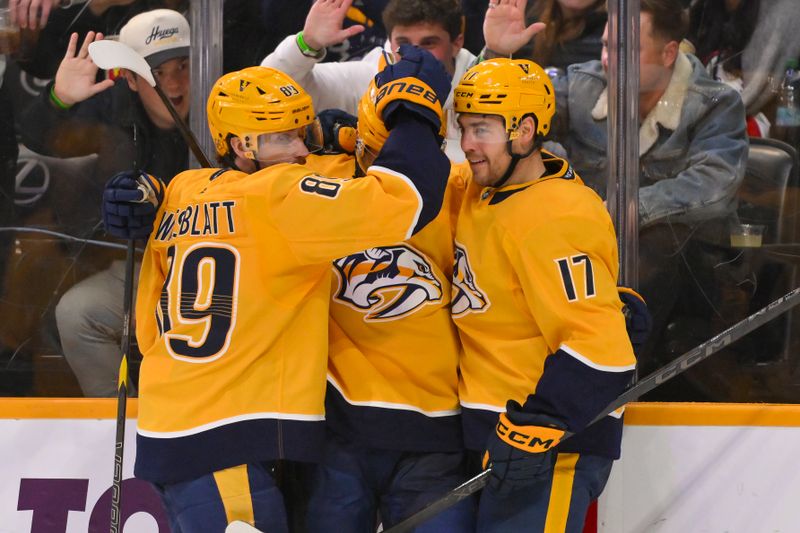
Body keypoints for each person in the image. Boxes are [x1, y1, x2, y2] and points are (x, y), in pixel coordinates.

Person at [102, 47, 451, 532]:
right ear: (242, 146)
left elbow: (146, 329)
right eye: (285, 137)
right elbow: (407, 199)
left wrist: (141, 193)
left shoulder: (182, 190)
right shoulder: (281, 195)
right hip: (231, 434)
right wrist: (412, 110)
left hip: (176, 429)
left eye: (302, 132)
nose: (301, 151)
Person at [451, 57, 637, 532]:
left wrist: (537, 426)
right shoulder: (485, 188)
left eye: (481, 130)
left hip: (550, 443)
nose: (468, 145)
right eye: (463, 128)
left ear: (525, 131)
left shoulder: (556, 215)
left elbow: (604, 353)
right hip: (498, 432)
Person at [300, 82, 474, 532]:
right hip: (337, 432)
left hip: (434, 432)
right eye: (372, 156)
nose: (385, 173)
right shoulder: (317, 183)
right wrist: (160, 197)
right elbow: (239, 179)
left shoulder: (457, 187)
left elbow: (524, 211)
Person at [19, 8, 191, 397]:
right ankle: (121, 421)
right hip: (143, 265)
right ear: (129, 78)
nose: (175, 84)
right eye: (156, 73)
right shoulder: (113, 107)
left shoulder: (222, 102)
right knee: (78, 312)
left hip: (220, 268)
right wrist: (58, 99)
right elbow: (37, 139)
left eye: (183, 66)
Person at [260, 0, 475, 162]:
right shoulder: (368, 79)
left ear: (457, 43)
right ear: (390, 42)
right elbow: (269, 92)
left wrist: (498, 52)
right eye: (403, 43)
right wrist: (308, 42)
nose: (414, 54)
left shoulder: (478, 79)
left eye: (428, 43)